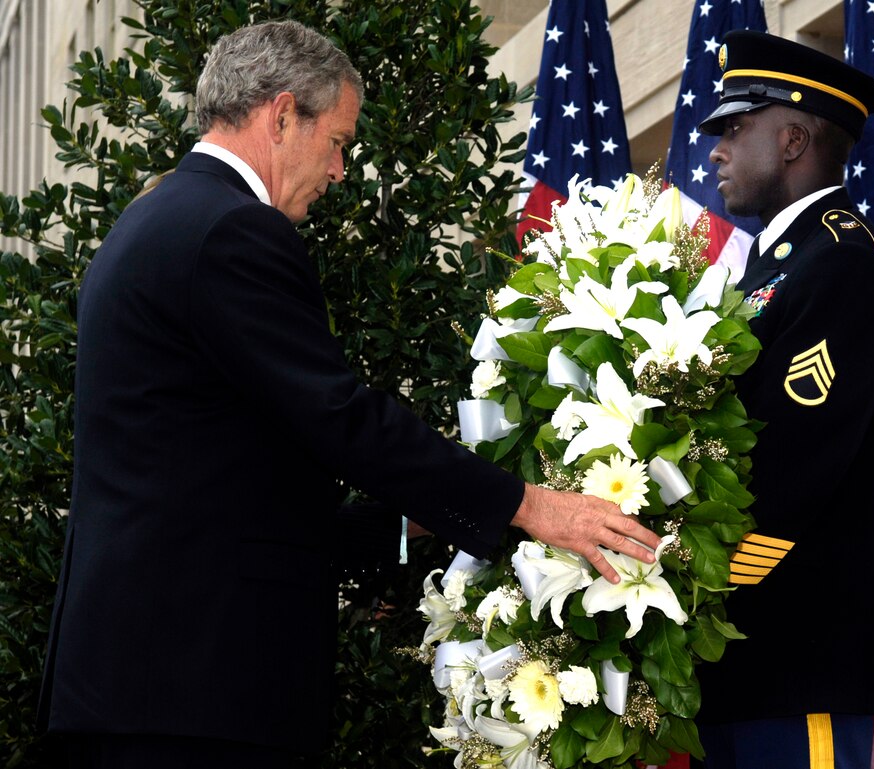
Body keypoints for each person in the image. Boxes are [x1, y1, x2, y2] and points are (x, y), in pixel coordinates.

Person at [38, 20, 661, 769]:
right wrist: (531, 505)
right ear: (280, 116)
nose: (340, 169)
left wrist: (422, 515)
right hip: (194, 690)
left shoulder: (156, 219)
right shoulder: (232, 230)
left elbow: (236, 483)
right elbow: (341, 418)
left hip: (149, 680)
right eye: (336, 141)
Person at [692, 30, 874, 768]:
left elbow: (795, 458)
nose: (716, 150)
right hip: (749, 653)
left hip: (800, 643)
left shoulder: (842, 260)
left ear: (792, 138)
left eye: (734, 128)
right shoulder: (776, 267)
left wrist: (688, 569)